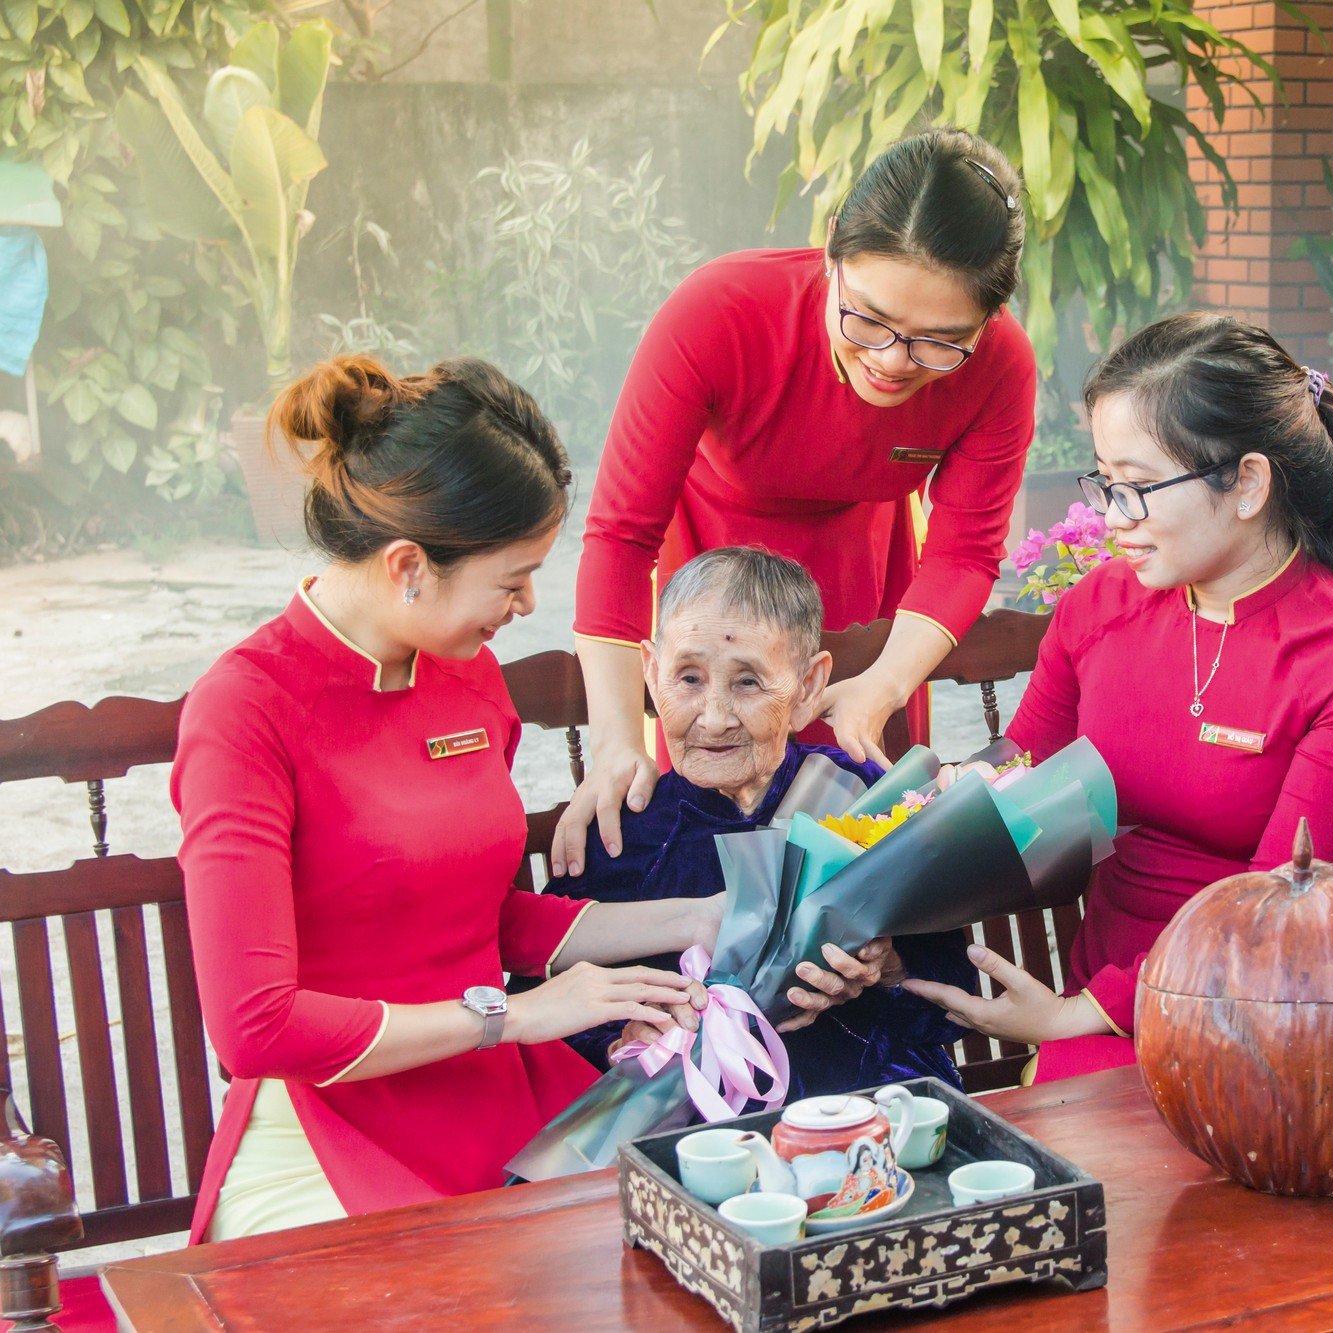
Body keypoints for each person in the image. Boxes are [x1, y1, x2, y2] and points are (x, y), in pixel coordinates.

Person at [173, 355, 726, 1243]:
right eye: (511, 579)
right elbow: (256, 1025)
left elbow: (482, 919)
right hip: (333, 1114)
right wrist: (517, 1014)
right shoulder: (246, 709)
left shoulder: (470, 682)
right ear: (408, 566)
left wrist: (702, 917)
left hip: (491, 1086)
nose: (528, 602)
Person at [905, 314, 1333, 1082]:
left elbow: (1275, 915)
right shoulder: (1102, 605)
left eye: (1141, 488)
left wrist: (1072, 1016)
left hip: (1264, 1016)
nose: (1116, 518)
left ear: (1247, 482)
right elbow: (1027, 759)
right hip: (1100, 995)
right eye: (1107, 483)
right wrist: (969, 789)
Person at [555, 128, 1037, 881]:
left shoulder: (1000, 365)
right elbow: (619, 537)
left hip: (866, 575)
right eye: (868, 319)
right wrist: (615, 736)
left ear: (988, 319)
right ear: (831, 254)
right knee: (713, 810)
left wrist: (882, 683)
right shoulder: (721, 311)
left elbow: (965, 553)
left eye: (938, 342)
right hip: (712, 563)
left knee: (862, 831)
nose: (891, 362)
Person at [526, 545, 977, 1098]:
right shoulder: (624, 828)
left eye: (747, 683)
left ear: (809, 685)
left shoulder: (866, 802)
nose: (713, 718)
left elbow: (955, 1002)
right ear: (650, 671)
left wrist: (884, 972)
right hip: (691, 1137)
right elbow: (539, 1003)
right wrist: (622, 1039)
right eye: (687, 678)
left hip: (869, 1109)